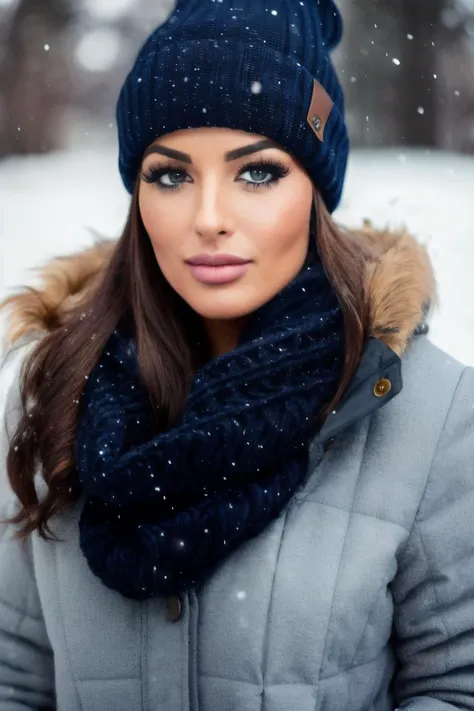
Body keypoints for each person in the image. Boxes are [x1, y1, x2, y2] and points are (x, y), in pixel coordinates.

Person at [1, 0, 474, 709]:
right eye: (170, 174)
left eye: (257, 173)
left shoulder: (427, 413)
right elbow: (14, 676)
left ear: (315, 187)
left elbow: (456, 684)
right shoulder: (57, 386)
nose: (209, 216)